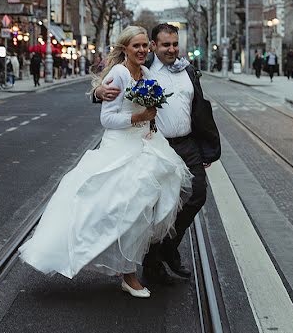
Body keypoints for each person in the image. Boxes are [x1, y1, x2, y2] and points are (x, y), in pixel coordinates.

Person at [19, 26, 192, 298]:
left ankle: (135, 267)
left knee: (143, 210)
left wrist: (149, 119)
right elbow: (106, 119)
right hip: (120, 147)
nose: (143, 50)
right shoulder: (120, 73)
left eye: (145, 46)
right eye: (137, 46)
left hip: (144, 144)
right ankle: (127, 273)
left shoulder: (146, 73)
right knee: (117, 210)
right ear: (125, 49)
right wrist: (136, 115)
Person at [94, 23, 221, 284]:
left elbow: (199, 108)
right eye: (165, 45)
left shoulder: (188, 70)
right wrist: (97, 92)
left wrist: (207, 147)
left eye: (175, 44)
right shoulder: (142, 66)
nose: (171, 49)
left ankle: (167, 249)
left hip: (187, 144)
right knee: (157, 207)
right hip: (157, 144)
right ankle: (153, 262)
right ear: (154, 45)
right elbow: (112, 88)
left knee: (197, 196)